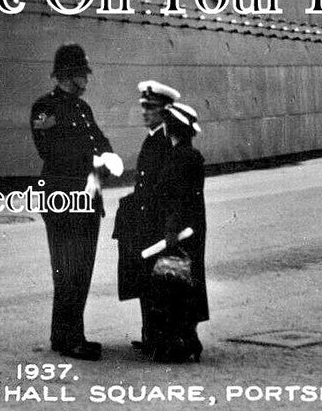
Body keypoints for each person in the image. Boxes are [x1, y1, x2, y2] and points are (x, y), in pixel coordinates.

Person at [30, 44, 122, 361]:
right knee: (67, 269)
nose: (87, 80)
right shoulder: (45, 108)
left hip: (87, 197)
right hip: (63, 198)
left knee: (81, 270)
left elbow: (102, 143)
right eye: (83, 74)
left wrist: (105, 160)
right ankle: (70, 339)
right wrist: (94, 161)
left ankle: (66, 335)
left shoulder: (83, 109)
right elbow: (50, 151)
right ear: (69, 75)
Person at [114, 82, 208, 363]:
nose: (145, 112)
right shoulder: (154, 139)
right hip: (152, 220)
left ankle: (169, 339)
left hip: (164, 222)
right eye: (143, 107)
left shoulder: (167, 143)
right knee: (153, 281)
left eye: (151, 108)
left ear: (165, 112)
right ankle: (153, 336)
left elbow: (170, 190)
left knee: (170, 282)